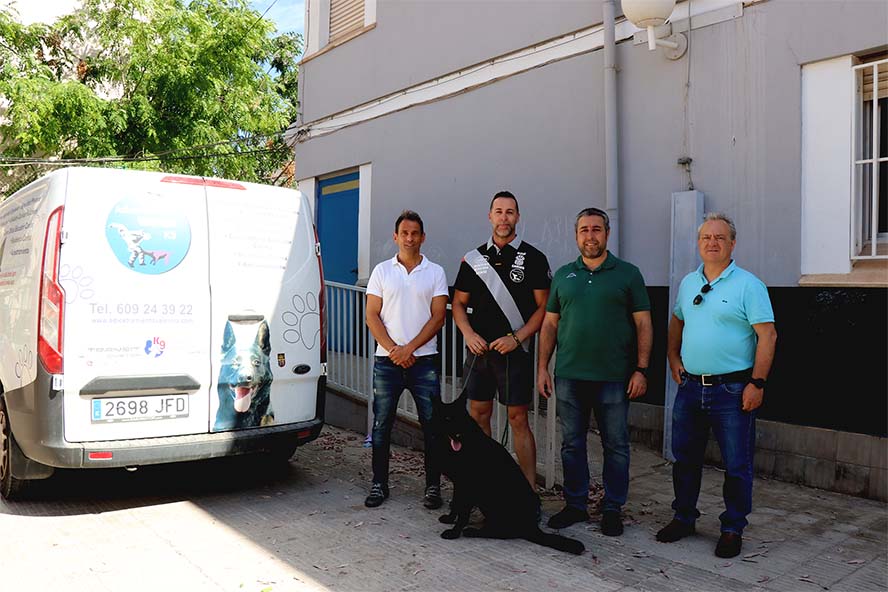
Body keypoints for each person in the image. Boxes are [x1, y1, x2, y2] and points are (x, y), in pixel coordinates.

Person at [655, 212, 777, 559]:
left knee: (737, 465)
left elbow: (768, 336)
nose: (712, 243)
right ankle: (684, 517)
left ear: (732, 244)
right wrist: (673, 357)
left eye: (720, 238)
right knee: (684, 459)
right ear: (698, 243)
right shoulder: (688, 283)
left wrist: (757, 383)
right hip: (690, 388)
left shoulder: (749, 285)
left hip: (732, 391)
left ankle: (732, 528)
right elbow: (677, 319)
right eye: (706, 237)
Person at [537, 207, 653, 536]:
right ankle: (575, 504)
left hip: (614, 378)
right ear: (576, 235)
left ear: (607, 233)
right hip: (570, 376)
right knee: (572, 444)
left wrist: (641, 369)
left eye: (596, 229)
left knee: (616, 445)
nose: (590, 236)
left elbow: (644, 324)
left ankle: (612, 508)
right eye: (584, 230)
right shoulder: (563, 275)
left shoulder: (628, 274)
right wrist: (543, 367)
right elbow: (550, 324)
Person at [452, 190, 551, 489]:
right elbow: (458, 304)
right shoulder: (473, 259)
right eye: (499, 211)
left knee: (518, 419)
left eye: (510, 212)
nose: (504, 218)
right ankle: (486, 485)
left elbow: (544, 308)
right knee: (478, 416)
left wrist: (517, 338)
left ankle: (529, 490)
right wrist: (468, 334)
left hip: (514, 353)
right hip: (479, 353)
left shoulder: (534, 258)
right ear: (490, 216)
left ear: (517, 217)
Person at [364, 210, 449, 509]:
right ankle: (379, 484)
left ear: (423, 237)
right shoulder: (381, 272)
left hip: (424, 362)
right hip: (387, 362)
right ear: (395, 236)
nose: (409, 238)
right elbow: (371, 315)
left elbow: (438, 317)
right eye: (404, 233)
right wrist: (394, 350)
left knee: (432, 426)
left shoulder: (436, 272)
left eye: (415, 233)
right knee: (381, 425)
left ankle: (433, 487)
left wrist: (409, 349)